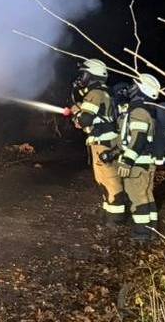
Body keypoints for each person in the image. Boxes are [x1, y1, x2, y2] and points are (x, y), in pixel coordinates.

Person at [67, 58, 126, 224]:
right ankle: (109, 214)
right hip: (102, 143)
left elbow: (83, 121)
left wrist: (76, 111)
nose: (81, 78)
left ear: (92, 76)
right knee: (104, 180)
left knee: (110, 180)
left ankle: (115, 219)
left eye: (84, 74)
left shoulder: (95, 94)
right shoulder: (101, 92)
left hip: (104, 145)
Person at [116, 73, 165, 241]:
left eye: (134, 85)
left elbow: (138, 138)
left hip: (138, 163)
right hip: (147, 161)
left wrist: (127, 161)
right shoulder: (147, 109)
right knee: (147, 195)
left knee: (137, 198)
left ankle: (141, 236)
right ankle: (152, 232)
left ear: (141, 88)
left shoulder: (138, 111)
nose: (131, 88)